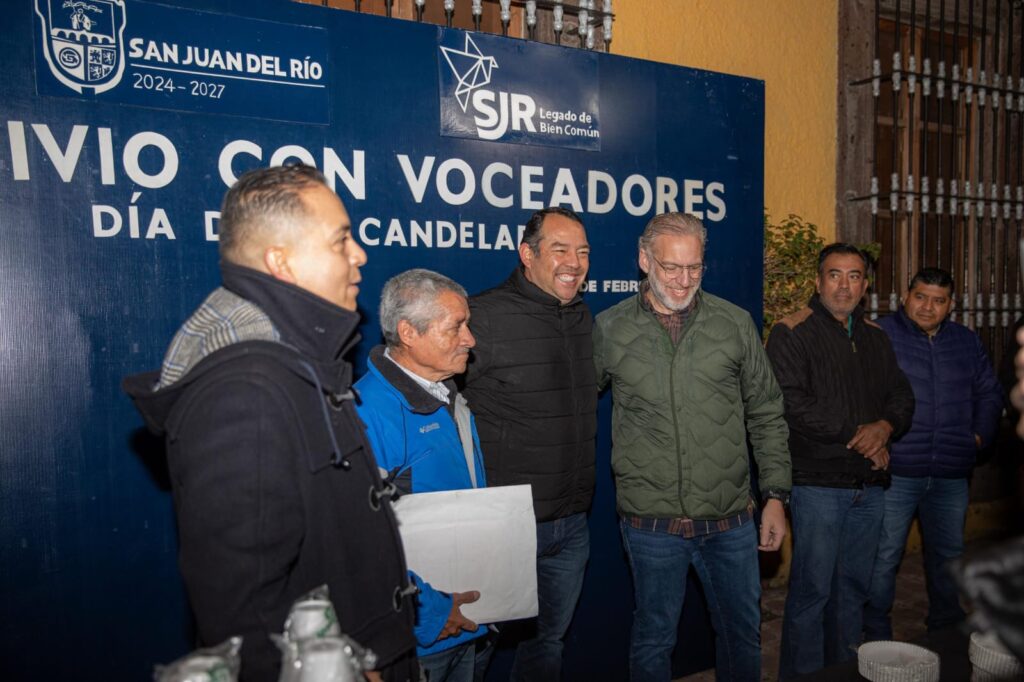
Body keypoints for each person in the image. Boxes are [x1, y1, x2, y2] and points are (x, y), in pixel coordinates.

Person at [123, 165, 417, 682]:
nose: (359, 255)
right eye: (340, 240)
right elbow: (239, 609)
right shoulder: (245, 393)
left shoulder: (294, 360)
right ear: (280, 261)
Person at [593, 212, 791, 682]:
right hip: (650, 522)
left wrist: (777, 496)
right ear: (644, 261)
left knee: (742, 635)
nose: (684, 281)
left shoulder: (734, 323)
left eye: (694, 268)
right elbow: (574, 409)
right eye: (670, 268)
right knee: (653, 638)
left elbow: (766, 411)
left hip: (729, 519)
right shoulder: (610, 328)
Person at [765, 243, 915, 679]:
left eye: (854, 276)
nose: (843, 285)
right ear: (817, 280)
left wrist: (885, 428)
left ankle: (843, 671)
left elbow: (901, 395)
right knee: (811, 593)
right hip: (818, 486)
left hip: (869, 487)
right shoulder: (792, 332)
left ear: (865, 286)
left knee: (853, 590)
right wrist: (860, 434)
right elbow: (791, 401)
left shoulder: (876, 336)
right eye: (834, 274)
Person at [461, 206, 597, 681]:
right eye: (560, 250)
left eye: (582, 252)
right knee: (474, 648)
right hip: (506, 525)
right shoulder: (483, 316)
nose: (574, 262)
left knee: (547, 645)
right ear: (527, 254)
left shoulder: (582, 317)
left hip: (573, 523)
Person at [354, 269, 488, 682]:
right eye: (456, 327)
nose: (470, 339)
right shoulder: (366, 413)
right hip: (420, 638)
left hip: (470, 620)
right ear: (408, 332)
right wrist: (431, 613)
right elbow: (358, 545)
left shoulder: (448, 393)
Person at [863, 267, 1003, 639]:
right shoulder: (880, 334)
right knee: (884, 556)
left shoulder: (966, 341)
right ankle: (875, 628)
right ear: (905, 297)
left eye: (938, 300)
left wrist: (978, 437)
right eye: (920, 297)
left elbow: (989, 393)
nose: (928, 307)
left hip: (951, 472)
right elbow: (858, 393)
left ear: (950, 305)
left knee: (949, 556)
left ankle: (946, 625)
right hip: (897, 470)